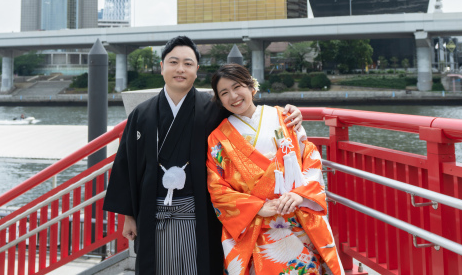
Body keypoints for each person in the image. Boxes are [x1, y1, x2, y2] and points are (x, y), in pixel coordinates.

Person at [103, 36, 304, 275]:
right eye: (173, 62)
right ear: (162, 67)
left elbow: (251, 118)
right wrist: (129, 216)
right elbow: (127, 165)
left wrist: (287, 113)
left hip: (201, 213)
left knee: (200, 266)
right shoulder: (141, 114)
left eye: (188, 63)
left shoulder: (214, 108)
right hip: (153, 212)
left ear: (196, 69)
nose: (180, 69)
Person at [207, 64, 343, 275]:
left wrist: (300, 195)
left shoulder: (284, 117)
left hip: (297, 215)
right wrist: (256, 207)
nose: (233, 96)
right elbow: (217, 188)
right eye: (224, 93)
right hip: (256, 224)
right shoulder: (218, 138)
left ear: (251, 87)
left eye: (237, 87)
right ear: (219, 100)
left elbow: (309, 156)